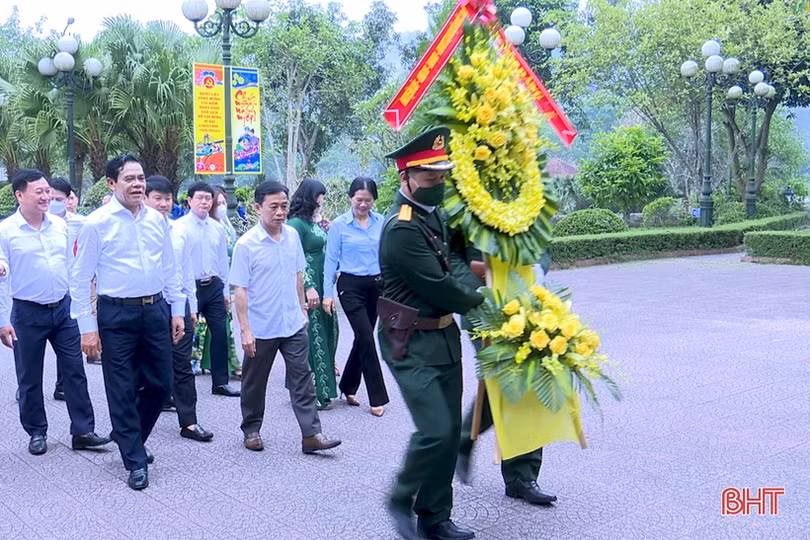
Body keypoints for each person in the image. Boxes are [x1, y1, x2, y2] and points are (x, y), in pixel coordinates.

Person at [378, 128, 484, 540]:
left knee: (442, 436)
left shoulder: (434, 215)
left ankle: (435, 516)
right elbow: (441, 287)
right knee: (437, 430)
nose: (438, 186)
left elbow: (458, 260)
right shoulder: (401, 230)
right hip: (408, 340)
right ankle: (399, 497)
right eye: (430, 179)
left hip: (443, 338)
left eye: (442, 178)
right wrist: (488, 300)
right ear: (406, 178)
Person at [71, 154, 185, 490]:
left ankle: (128, 436)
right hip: (115, 314)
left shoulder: (156, 220)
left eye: (141, 178)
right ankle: (135, 458)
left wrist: (177, 309)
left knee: (161, 384)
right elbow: (79, 279)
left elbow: (170, 267)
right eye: (129, 179)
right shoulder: (96, 224)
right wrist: (86, 328)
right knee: (120, 387)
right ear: (111, 183)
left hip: (155, 310)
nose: (138, 185)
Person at [0, 169, 111, 457]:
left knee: (75, 370)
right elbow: (2, 275)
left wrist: (79, 309)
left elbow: (74, 268)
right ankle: (37, 431)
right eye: (39, 191)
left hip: (63, 310)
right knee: (30, 376)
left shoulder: (59, 227)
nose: (46, 196)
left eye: (47, 191)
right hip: (26, 313)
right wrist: (2, 321)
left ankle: (83, 430)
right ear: (19, 195)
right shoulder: (6, 231)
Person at [231, 180, 341, 455]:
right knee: (255, 382)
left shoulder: (292, 236)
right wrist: (245, 330)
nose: (280, 212)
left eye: (284, 206)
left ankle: (311, 434)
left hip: (292, 322)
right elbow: (240, 290)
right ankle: (252, 429)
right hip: (262, 326)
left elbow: (298, 273)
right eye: (273, 207)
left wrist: (302, 308)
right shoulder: (246, 245)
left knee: (302, 377)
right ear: (258, 208)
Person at [455, 245, 556, 506]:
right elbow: (451, 253)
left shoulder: (528, 203)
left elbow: (541, 242)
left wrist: (536, 269)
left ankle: (522, 475)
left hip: (528, 302)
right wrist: (476, 282)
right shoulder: (463, 206)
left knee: (530, 383)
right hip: (483, 305)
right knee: (504, 380)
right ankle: (465, 437)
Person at [145, 176, 214, 443]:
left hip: (177, 306)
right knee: (145, 366)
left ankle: (189, 422)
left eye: (167, 198)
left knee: (182, 364)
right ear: (146, 199)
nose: (163, 204)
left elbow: (187, 273)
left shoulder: (178, 231)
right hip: (147, 307)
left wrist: (191, 307)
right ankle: (136, 427)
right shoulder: (137, 232)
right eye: (157, 198)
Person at [323, 177, 389, 417]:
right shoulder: (340, 225)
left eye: (368, 200)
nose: (363, 204)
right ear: (350, 198)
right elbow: (330, 260)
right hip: (349, 286)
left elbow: (388, 254)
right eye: (359, 200)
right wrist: (326, 293)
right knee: (366, 338)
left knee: (364, 337)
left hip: (376, 286)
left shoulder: (382, 222)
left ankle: (348, 386)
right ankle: (377, 397)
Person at [178, 182, 239, 397]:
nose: (205, 202)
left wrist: (225, 292)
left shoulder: (217, 227)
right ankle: (179, 385)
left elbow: (223, 261)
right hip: (189, 287)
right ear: (190, 201)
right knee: (184, 335)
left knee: (221, 332)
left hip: (213, 285)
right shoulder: (180, 227)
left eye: (208, 198)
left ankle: (220, 382)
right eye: (200, 198)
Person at [288, 179, 338, 410]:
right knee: (313, 336)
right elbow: (295, 259)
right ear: (310, 196)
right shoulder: (296, 224)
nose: (323, 200)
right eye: (321, 195)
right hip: (309, 283)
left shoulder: (313, 221)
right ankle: (313, 392)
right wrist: (308, 286)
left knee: (330, 331)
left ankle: (324, 388)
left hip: (322, 280)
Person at [48, 178, 94, 402]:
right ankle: (26, 386)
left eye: (59, 199)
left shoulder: (82, 223)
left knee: (68, 344)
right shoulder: (37, 224)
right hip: (45, 292)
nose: (54, 203)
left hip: (73, 290)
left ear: (69, 200)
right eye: (51, 198)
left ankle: (62, 384)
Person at [195, 186, 241, 378]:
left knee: (222, 327)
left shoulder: (224, 225)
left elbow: (227, 254)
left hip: (222, 280)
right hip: (200, 282)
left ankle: (223, 372)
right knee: (200, 326)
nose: (222, 206)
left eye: (224, 202)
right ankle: (197, 361)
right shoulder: (198, 227)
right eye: (219, 203)